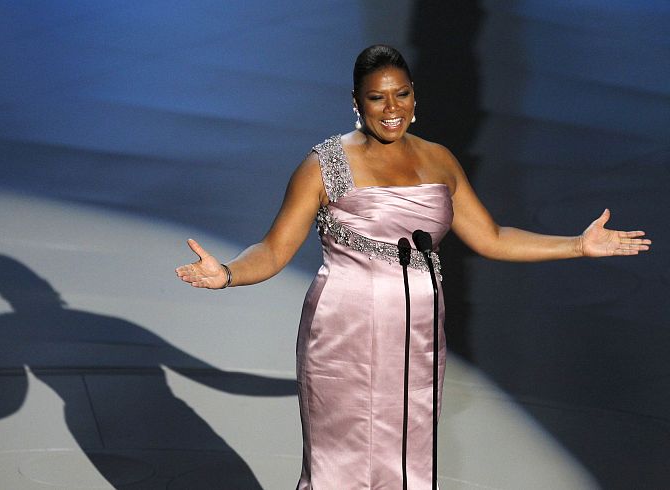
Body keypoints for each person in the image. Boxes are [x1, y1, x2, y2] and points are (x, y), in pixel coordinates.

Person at [175, 44, 650, 489]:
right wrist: (230, 274)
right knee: (338, 467)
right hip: (343, 335)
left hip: (418, 337)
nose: (391, 108)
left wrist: (577, 246)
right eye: (377, 98)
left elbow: (492, 237)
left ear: (414, 95)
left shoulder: (438, 161)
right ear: (356, 102)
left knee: (407, 463)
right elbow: (275, 250)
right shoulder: (325, 164)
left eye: (401, 94)